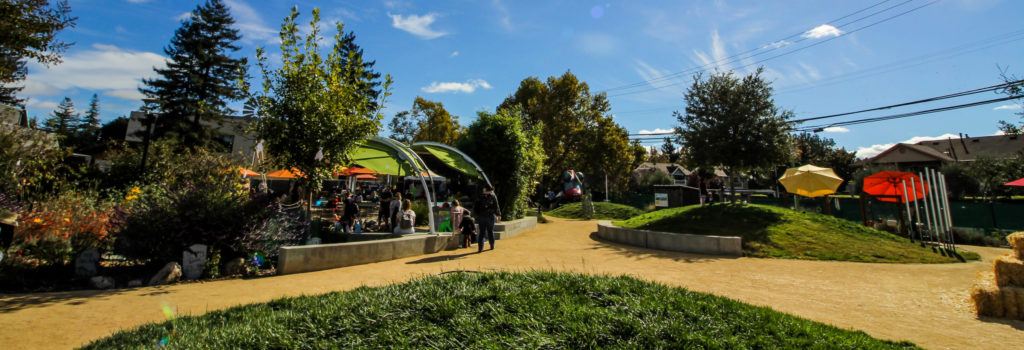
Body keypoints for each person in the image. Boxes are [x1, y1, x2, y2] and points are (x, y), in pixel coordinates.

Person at [474, 185, 501, 252]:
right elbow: (476, 207)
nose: (484, 190)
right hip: (482, 217)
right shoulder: (480, 197)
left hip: (490, 216)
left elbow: (496, 206)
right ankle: (480, 248)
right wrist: (477, 215)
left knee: (490, 231)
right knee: (482, 233)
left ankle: (492, 245)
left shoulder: (493, 196)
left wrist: (498, 215)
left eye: (485, 189)